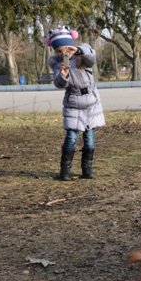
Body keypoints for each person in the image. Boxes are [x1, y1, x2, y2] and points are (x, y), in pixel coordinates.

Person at [47, 25, 105, 180]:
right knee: (71, 137)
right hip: (73, 103)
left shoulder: (83, 54)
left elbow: (92, 57)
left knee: (90, 138)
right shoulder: (57, 64)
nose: (63, 52)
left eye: (66, 48)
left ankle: (87, 169)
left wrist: (77, 51)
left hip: (91, 103)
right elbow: (59, 84)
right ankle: (65, 171)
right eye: (59, 50)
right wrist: (63, 74)